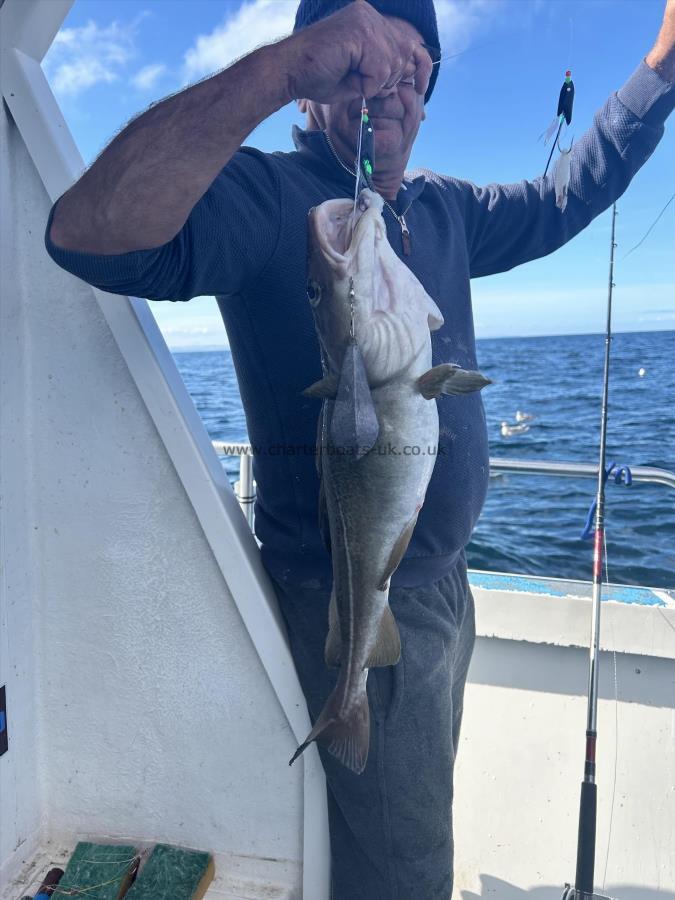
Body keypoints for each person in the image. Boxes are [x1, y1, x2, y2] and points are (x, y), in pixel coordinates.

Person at [44, 1, 675, 896]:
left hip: (439, 589)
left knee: (401, 833)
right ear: (314, 90)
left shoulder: (441, 208)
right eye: (358, 62)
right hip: (345, 585)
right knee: (404, 869)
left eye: (413, 67)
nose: (389, 82)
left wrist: (658, 71)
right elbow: (90, 233)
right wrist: (276, 68)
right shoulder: (269, 199)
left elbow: (564, 196)